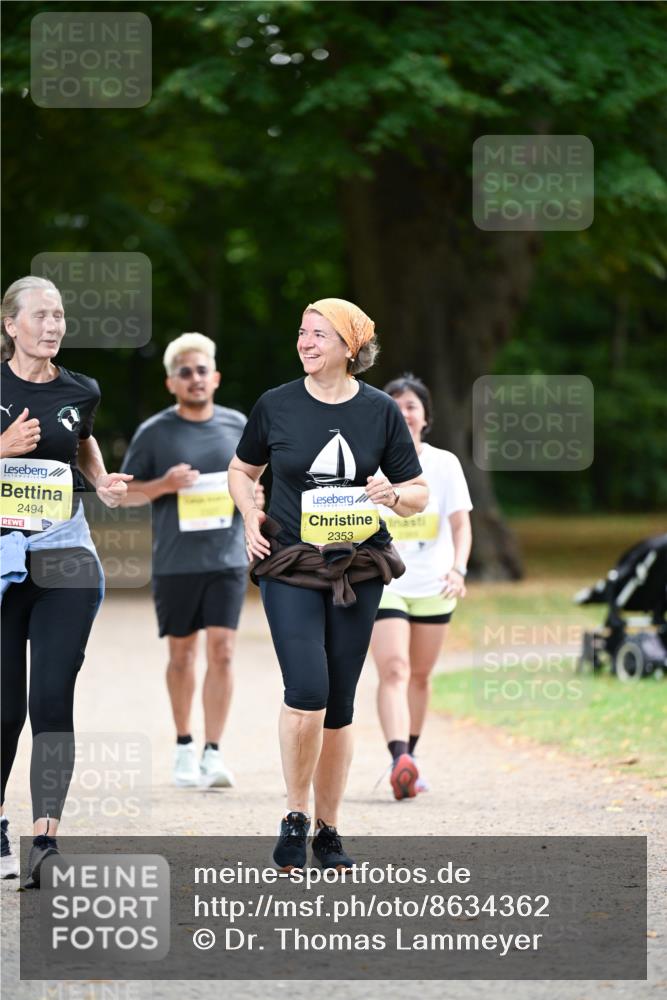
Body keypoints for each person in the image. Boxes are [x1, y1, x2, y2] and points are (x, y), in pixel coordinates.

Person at [228, 298, 428, 871]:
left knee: (339, 702)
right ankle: (295, 816)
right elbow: (241, 470)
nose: (306, 342)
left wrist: (393, 494)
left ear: (350, 346)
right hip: (290, 564)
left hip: (358, 568)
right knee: (307, 689)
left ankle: (329, 830)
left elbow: (418, 494)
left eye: (319, 334)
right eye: (302, 332)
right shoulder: (276, 404)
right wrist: (249, 512)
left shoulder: (380, 410)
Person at [0, 276, 131, 886]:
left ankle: (45, 841)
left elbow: (83, 441)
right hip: (4, 562)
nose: (53, 326)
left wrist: (100, 480)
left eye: (59, 315)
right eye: (41, 315)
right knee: (5, 710)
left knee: (51, 698)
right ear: (11, 325)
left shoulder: (81, 389)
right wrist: (3, 447)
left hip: (64, 557)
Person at [120, 333, 262, 789]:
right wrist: (163, 484)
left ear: (215, 377)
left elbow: (255, 483)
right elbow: (123, 494)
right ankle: (183, 746)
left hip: (226, 559)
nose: (195, 378)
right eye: (185, 372)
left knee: (223, 651)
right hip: (176, 563)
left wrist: (254, 498)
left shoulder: (238, 426)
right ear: (171, 383)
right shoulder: (154, 432)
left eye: (202, 370)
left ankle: (213, 752)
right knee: (182, 656)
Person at [370, 374, 472, 800]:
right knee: (394, 669)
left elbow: (461, 524)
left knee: (421, 675)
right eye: (394, 405)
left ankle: (410, 755)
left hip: (435, 584)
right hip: (385, 581)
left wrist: (458, 570)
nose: (403, 413)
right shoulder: (369, 462)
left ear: (425, 417)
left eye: (411, 405)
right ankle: (399, 760)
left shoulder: (444, 464)